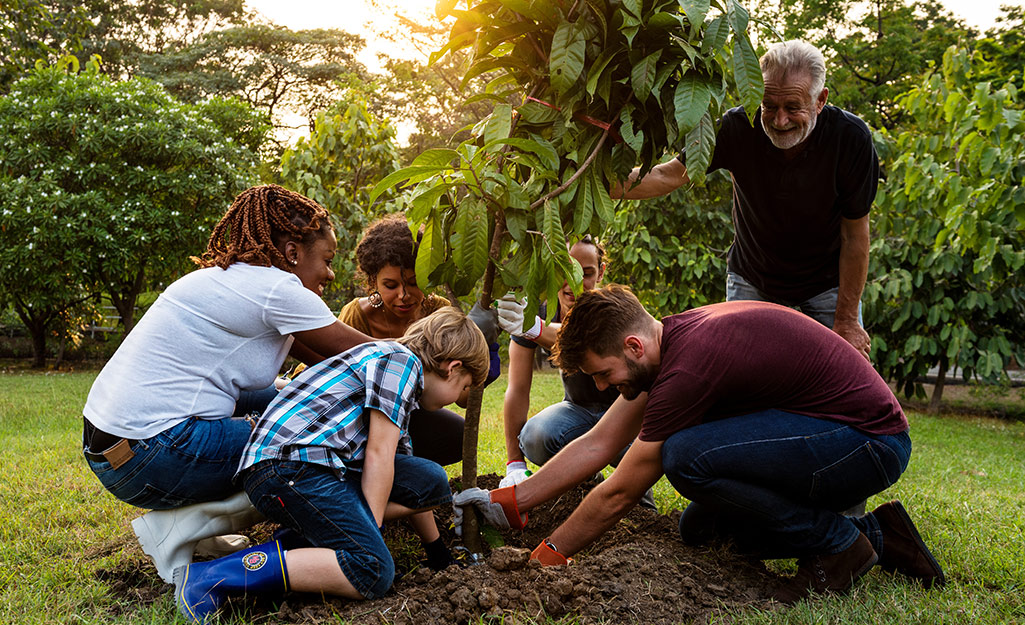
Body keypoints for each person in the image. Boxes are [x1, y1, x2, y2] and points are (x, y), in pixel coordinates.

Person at [455, 285, 944, 603]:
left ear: (632, 346)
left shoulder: (687, 367)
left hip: (866, 441)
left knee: (686, 457)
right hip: (825, 435)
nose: (601, 388)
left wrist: (544, 560)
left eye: (603, 375)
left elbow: (620, 492)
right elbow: (600, 441)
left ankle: (839, 546)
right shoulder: (668, 343)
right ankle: (880, 537)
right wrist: (510, 501)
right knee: (701, 530)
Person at [82, 184, 371, 583]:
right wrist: (443, 343)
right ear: (292, 254)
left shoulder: (226, 278)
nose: (331, 272)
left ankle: (203, 527)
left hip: (113, 449)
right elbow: (377, 359)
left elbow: (326, 363)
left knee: (288, 401)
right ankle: (183, 530)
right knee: (310, 438)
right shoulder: (278, 289)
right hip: (154, 453)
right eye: (327, 259)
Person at [174, 308, 489, 624]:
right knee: (373, 569)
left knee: (430, 478)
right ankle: (211, 577)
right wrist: (370, 530)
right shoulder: (400, 362)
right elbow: (379, 455)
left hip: (315, 468)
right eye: (464, 388)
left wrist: (437, 553)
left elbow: (397, 467)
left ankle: (301, 543)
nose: (457, 399)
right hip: (289, 466)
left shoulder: (400, 385)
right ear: (452, 368)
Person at [613, 40, 877, 360]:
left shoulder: (851, 138)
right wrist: (591, 183)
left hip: (827, 283)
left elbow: (855, 235)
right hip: (753, 276)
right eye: (768, 105)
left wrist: (847, 320)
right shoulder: (736, 127)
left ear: (820, 100)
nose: (780, 120)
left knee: (848, 375)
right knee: (737, 373)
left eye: (793, 107)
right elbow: (667, 176)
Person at [497, 236, 651, 509]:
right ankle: (586, 478)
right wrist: (514, 463)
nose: (573, 283)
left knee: (634, 496)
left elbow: (580, 335)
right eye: (563, 271)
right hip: (577, 411)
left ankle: (641, 503)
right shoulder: (538, 311)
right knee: (535, 436)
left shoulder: (613, 306)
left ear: (601, 272)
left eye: (586, 273)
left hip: (627, 414)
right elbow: (517, 388)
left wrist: (536, 329)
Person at [337, 214, 500, 465]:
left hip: (413, 415)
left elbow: (463, 398)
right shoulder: (358, 315)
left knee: (458, 435)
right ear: (373, 283)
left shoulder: (439, 312)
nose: (403, 295)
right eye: (390, 285)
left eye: (414, 283)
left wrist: (485, 359)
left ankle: (408, 468)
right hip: (361, 417)